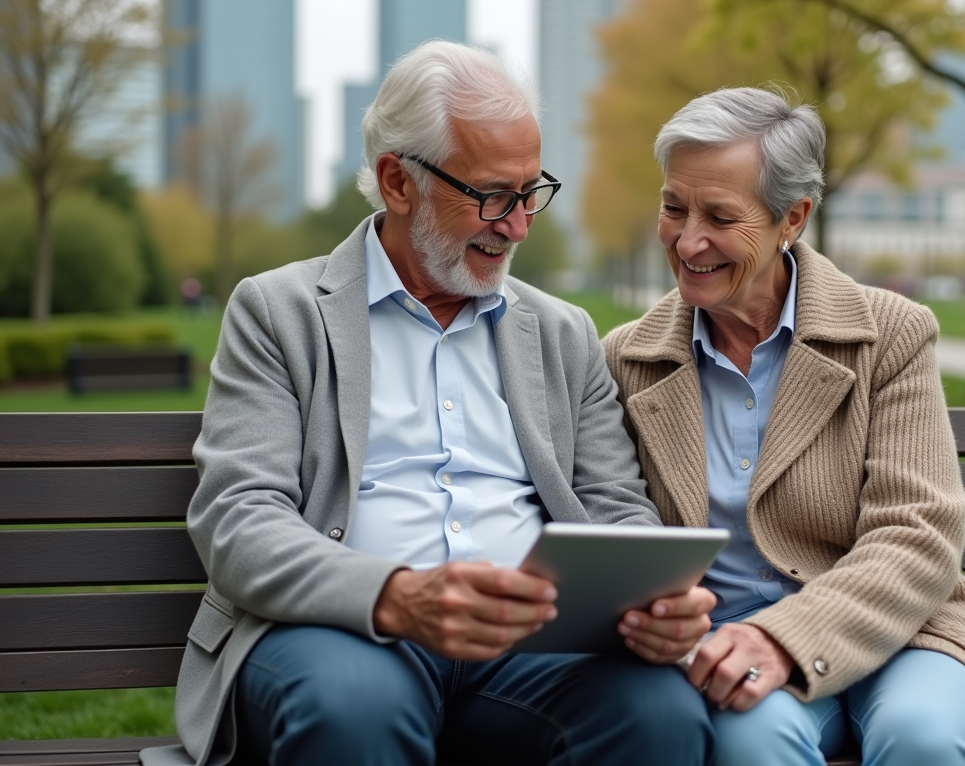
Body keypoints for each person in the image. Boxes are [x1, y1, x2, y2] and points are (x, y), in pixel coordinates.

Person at [141, 42, 716, 766]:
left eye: (530, 192)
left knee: (660, 712)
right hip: (345, 632)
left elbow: (615, 506)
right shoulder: (278, 312)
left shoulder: (564, 334)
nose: (518, 225)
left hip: (529, 650)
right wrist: (397, 595)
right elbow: (239, 520)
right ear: (398, 182)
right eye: (493, 196)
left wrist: (655, 598)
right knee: (356, 707)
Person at [602, 87, 965, 766]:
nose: (688, 240)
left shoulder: (891, 333)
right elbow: (612, 529)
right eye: (674, 208)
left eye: (721, 216)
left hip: (908, 632)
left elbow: (917, 532)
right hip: (728, 647)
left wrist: (787, 637)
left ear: (793, 217)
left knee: (921, 737)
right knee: (749, 743)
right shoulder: (625, 359)